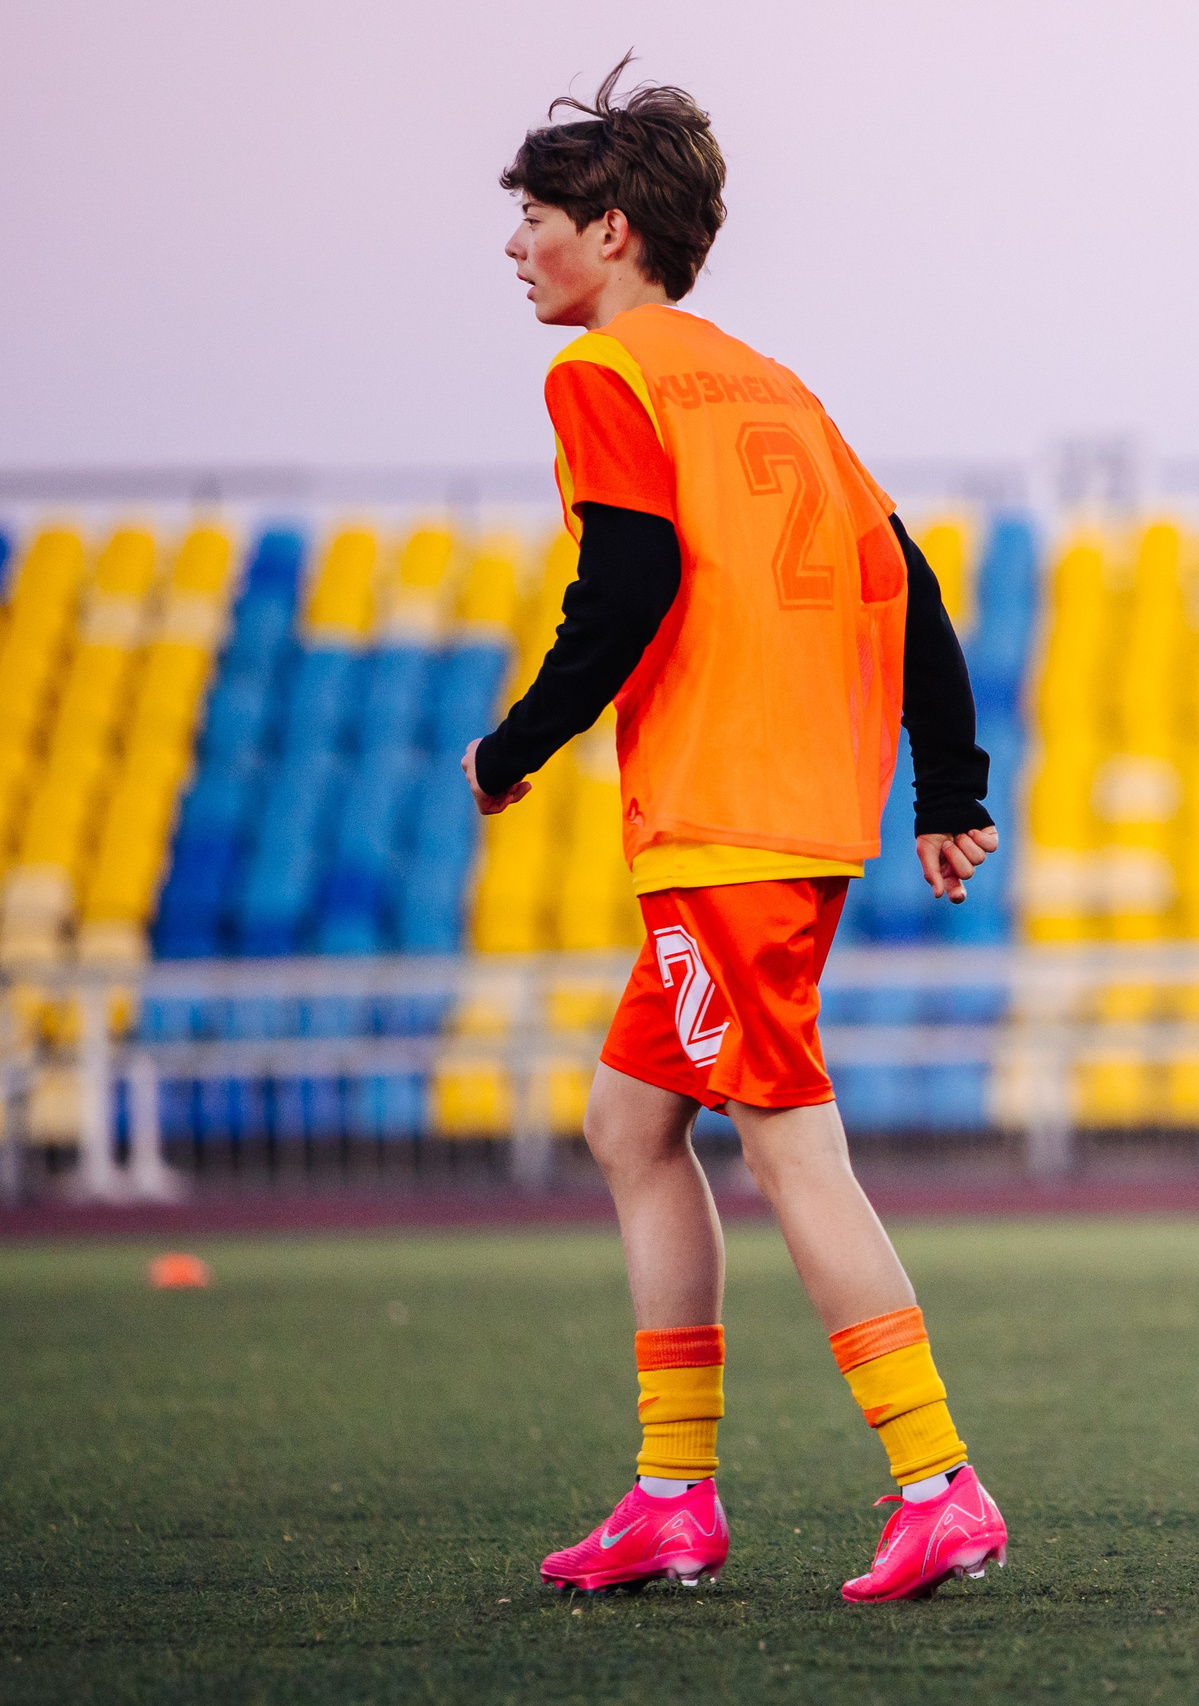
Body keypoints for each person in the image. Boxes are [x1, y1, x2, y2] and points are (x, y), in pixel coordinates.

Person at [465, 55, 1009, 1601]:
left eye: (536, 218)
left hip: (724, 828)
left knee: (789, 1149)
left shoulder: (604, 379)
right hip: (792, 824)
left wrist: (517, 743)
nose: (516, 247)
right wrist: (950, 788)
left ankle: (938, 1479)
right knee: (631, 1123)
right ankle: (671, 1493)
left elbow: (622, 589)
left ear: (613, 228)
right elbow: (915, 594)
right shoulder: (774, 384)